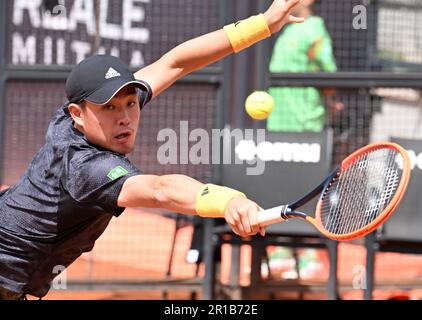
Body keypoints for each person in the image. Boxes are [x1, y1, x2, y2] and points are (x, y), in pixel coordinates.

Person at [0, 0, 305, 300]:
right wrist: (228, 201)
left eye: (130, 103)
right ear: (77, 113)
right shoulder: (86, 168)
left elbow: (176, 62)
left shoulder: (78, 120)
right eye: (109, 107)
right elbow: (159, 189)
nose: (124, 117)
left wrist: (262, 24)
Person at [266, 0, 341, 132]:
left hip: (305, 126)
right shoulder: (288, 29)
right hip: (277, 123)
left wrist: (331, 99)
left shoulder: (314, 29)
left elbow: (329, 73)